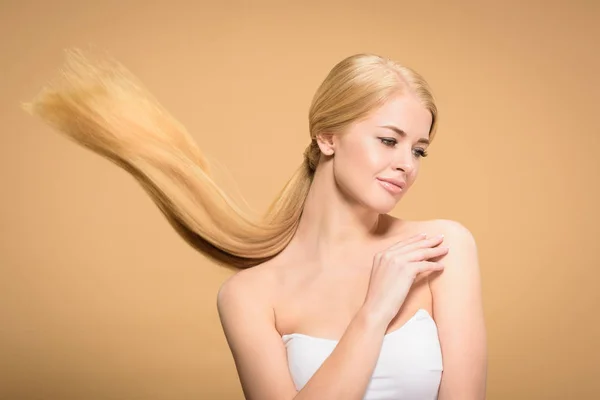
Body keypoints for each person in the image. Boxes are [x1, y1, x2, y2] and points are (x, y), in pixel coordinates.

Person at [23, 49, 487, 400]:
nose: (406, 164)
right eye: (389, 140)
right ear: (327, 137)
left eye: (419, 149)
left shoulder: (441, 248)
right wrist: (374, 313)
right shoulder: (249, 296)